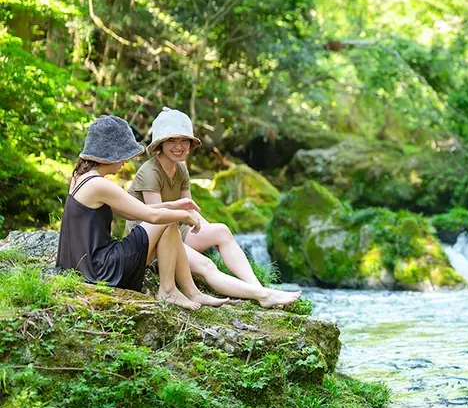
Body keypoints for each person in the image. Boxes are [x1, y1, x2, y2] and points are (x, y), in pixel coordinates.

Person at [125, 108, 300, 308]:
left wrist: (206, 229)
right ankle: (263, 296)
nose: (178, 146)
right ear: (160, 143)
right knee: (206, 265)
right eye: (172, 140)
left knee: (221, 231)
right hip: (152, 242)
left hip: (174, 230)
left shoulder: (180, 169)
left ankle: (257, 287)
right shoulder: (149, 172)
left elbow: (189, 208)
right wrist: (188, 221)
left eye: (184, 140)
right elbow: (156, 217)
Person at [57, 115, 229, 310]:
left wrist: (174, 206)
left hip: (85, 265)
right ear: (110, 154)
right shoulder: (99, 185)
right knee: (168, 222)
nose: (125, 162)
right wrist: (185, 216)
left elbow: (132, 213)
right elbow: (152, 217)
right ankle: (169, 291)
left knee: (168, 223)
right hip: (101, 269)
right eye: (123, 156)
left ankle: (189, 292)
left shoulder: (80, 177)